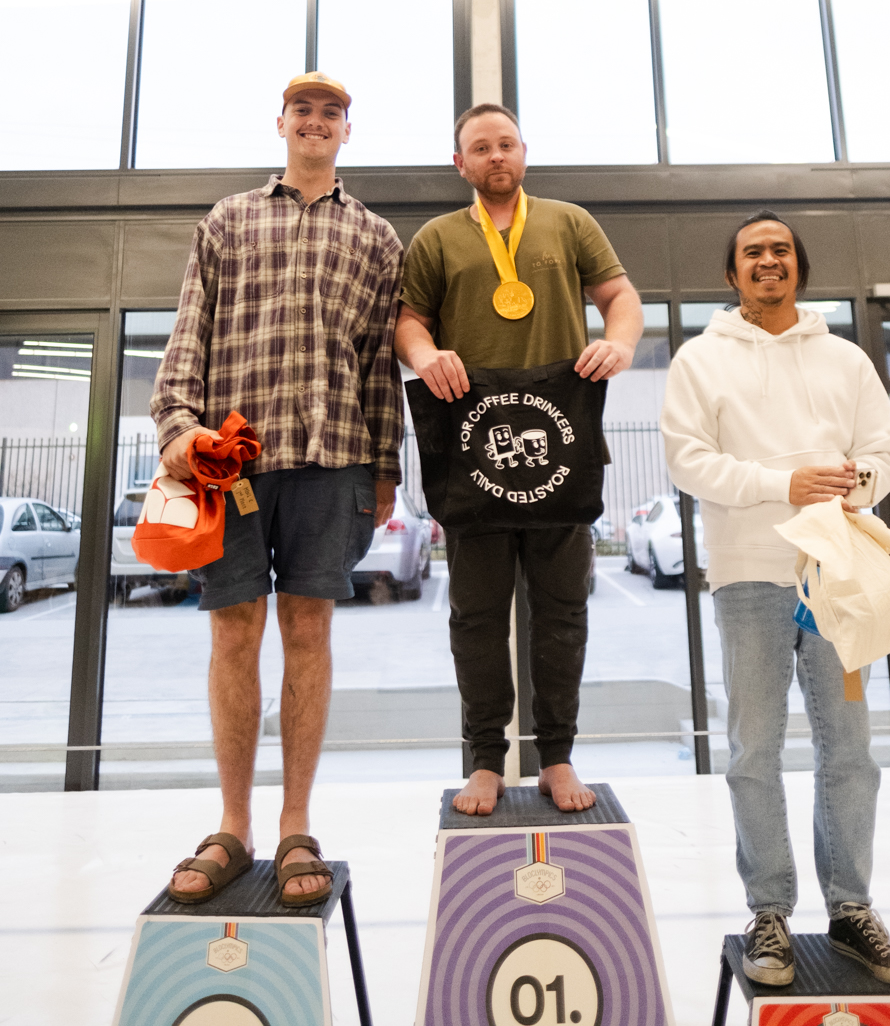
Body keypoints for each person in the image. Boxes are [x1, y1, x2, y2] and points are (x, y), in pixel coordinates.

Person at [151, 72, 403, 906]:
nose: (316, 121)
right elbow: (189, 333)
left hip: (335, 461)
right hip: (233, 466)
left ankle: (296, 824)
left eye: (332, 112)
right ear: (282, 122)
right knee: (233, 634)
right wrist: (176, 425)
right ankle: (234, 824)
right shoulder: (227, 220)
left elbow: (378, 366)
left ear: (346, 131)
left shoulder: (376, 238)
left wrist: (385, 468)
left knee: (308, 631)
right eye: (304, 109)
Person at [660, 210, 890, 988]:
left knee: (850, 748)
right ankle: (769, 914)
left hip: (839, 577)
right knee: (754, 749)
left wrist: (855, 483)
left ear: (799, 267)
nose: (768, 260)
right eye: (753, 252)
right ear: (732, 273)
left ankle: (852, 910)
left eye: (780, 250)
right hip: (750, 578)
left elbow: (882, 454)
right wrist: (785, 484)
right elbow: (688, 461)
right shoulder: (700, 359)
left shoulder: (844, 359)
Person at [395, 103, 643, 816]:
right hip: (474, 454)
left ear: (524, 152)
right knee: (475, 616)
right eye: (480, 147)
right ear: (460, 164)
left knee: (563, 612)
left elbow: (619, 296)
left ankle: (557, 757)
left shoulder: (569, 222)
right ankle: (484, 761)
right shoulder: (437, 238)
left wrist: (621, 342)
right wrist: (425, 354)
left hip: (561, 448)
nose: (495, 155)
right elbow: (408, 321)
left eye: (506, 143)